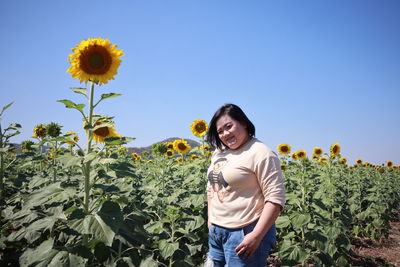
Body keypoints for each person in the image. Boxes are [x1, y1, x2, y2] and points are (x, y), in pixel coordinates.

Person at [205, 103, 286, 267]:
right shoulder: (220, 152)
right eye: (220, 131)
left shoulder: (261, 153)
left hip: (244, 233)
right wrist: (210, 219)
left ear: (243, 122)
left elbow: (275, 199)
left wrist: (256, 236)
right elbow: (212, 187)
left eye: (229, 126)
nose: (225, 134)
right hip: (217, 231)